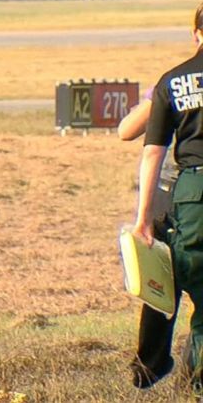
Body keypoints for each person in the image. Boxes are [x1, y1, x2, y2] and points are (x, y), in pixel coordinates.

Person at [133, 0, 203, 392]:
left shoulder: (172, 81)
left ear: (196, 35)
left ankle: (152, 363)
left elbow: (152, 152)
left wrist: (144, 218)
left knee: (176, 279)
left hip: (190, 194)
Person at [118, 90, 179, 388]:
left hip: (169, 189)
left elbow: (126, 130)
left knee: (163, 281)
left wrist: (159, 98)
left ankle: (149, 364)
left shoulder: (173, 81)